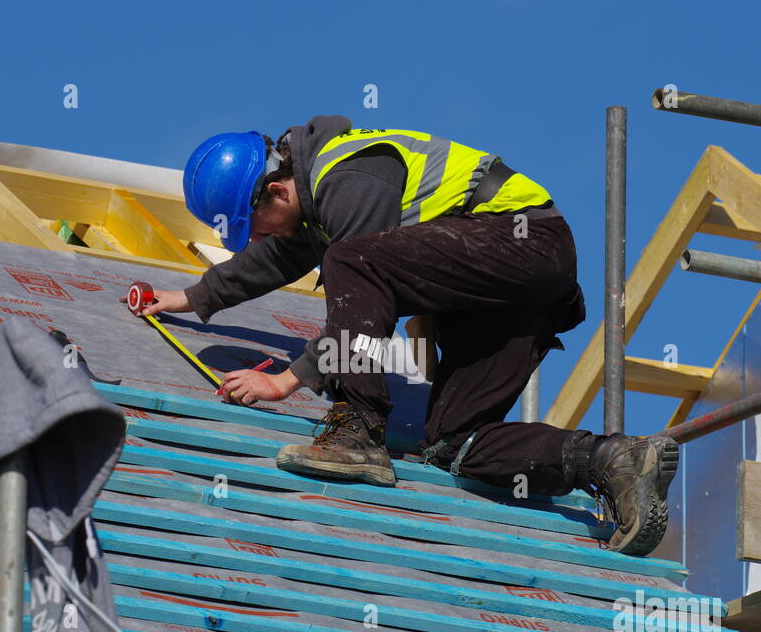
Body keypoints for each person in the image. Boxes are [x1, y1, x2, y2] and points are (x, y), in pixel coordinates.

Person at [138, 116, 679, 556]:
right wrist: (192, 298)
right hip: (502, 296)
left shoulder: (349, 177)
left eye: (252, 224)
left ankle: (358, 432)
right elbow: (276, 258)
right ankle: (615, 462)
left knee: (349, 262)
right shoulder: (310, 200)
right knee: (454, 443)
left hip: (525, 241)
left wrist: (288, 381)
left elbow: (356, 293)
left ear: (276, 191)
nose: (255, 238)